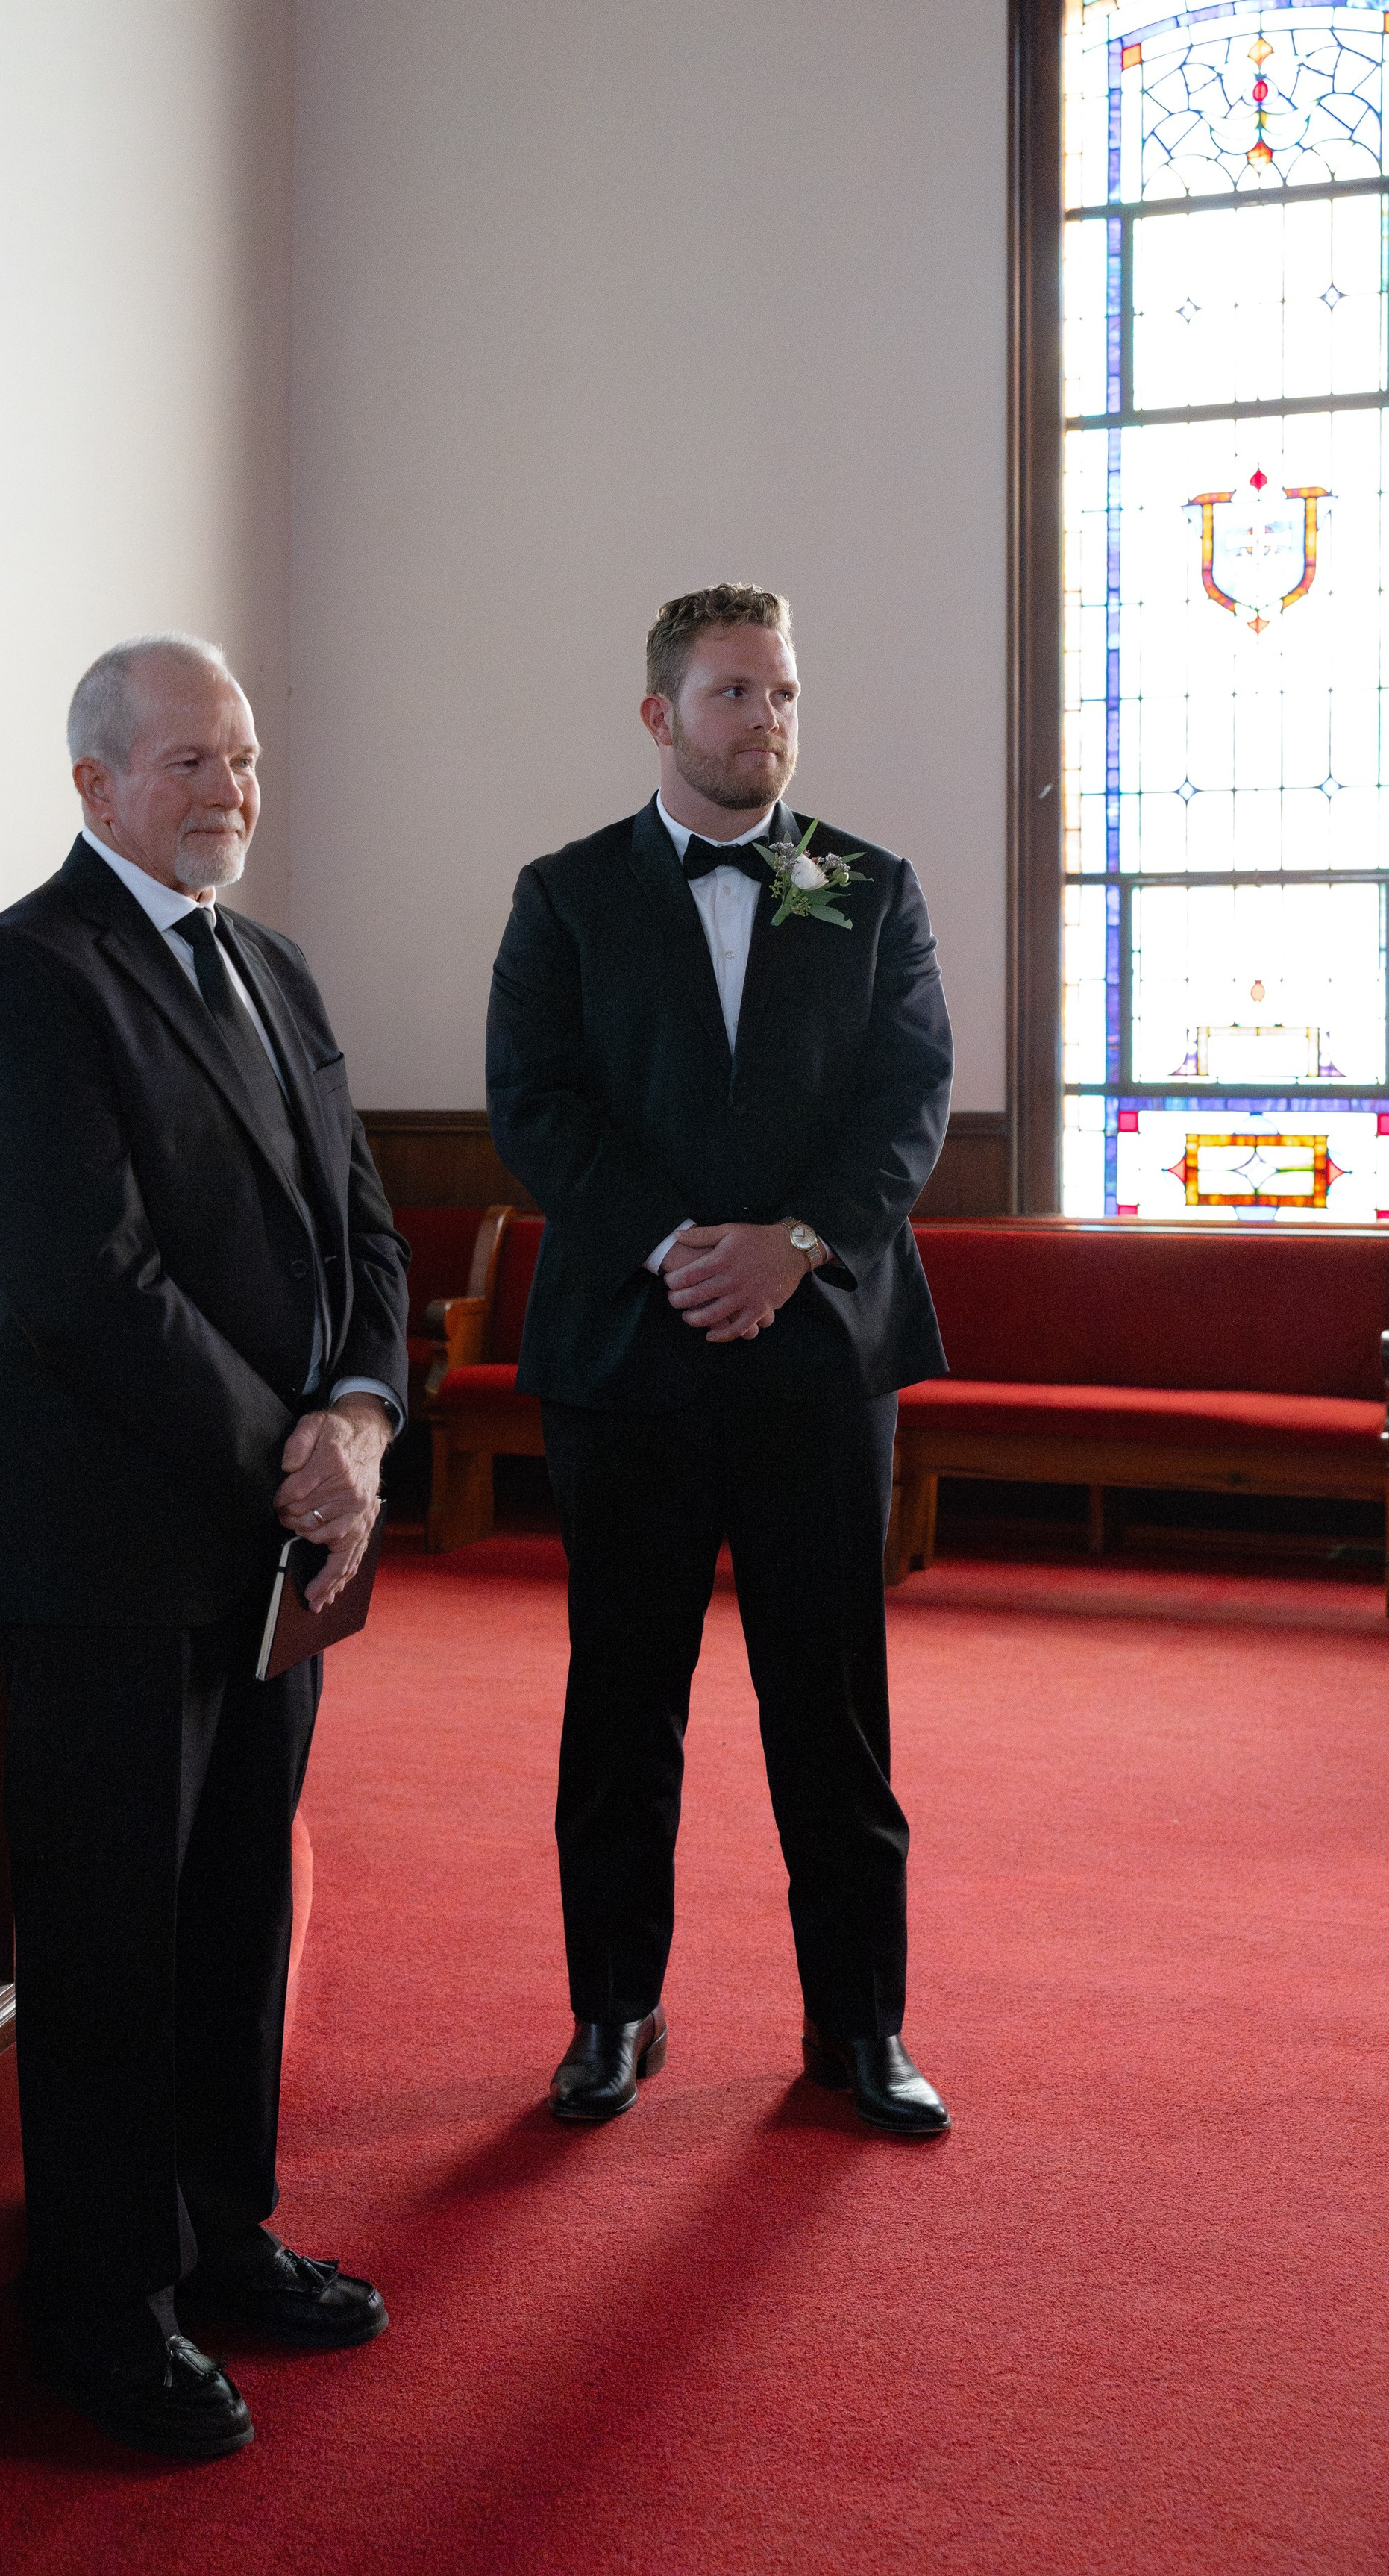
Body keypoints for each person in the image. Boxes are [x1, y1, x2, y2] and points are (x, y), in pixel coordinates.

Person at [0, 634, 409, 2460]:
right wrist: (286, 1465)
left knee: (234, 1910)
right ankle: (102, 2300)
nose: (229, 788)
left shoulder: (269, 964)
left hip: (279, 1544)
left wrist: (358, 1417)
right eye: (188, 760)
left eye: (243, 756)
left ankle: (220, 2230)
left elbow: (362, 1223)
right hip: (111, 1550)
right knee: (112, 1933)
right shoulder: (26, 973)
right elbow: (89, 1280)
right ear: (94, 784)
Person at [485, 582, 954, 2137]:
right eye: (734, 691)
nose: (767, 718)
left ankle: (859, 2022)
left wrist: (792, 1247)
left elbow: (907, 1101)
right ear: (659, 713)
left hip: (818, 1352)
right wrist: (681, 1246)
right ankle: (612, 2009)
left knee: (832, 1704)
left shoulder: (868, 886)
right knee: (624, 1698)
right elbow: (535, 1102)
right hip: (632, 1351)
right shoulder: (564, 895)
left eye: (783, 691)